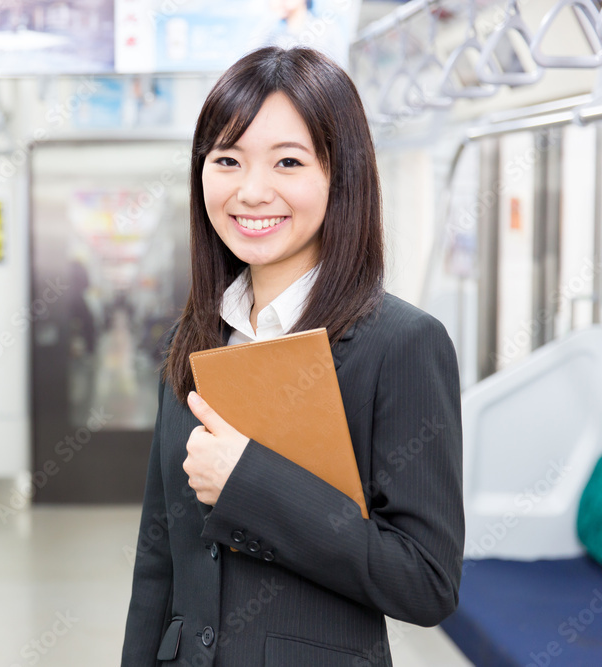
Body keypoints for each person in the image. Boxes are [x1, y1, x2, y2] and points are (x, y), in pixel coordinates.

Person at [121, 46, 463, 666]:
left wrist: (248, 483)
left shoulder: (401, 344)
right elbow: (158, 556)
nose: (252, 192)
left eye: (287, 161)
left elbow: (425, 580)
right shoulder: (193, 336)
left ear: (341, 175)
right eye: (227, 160)